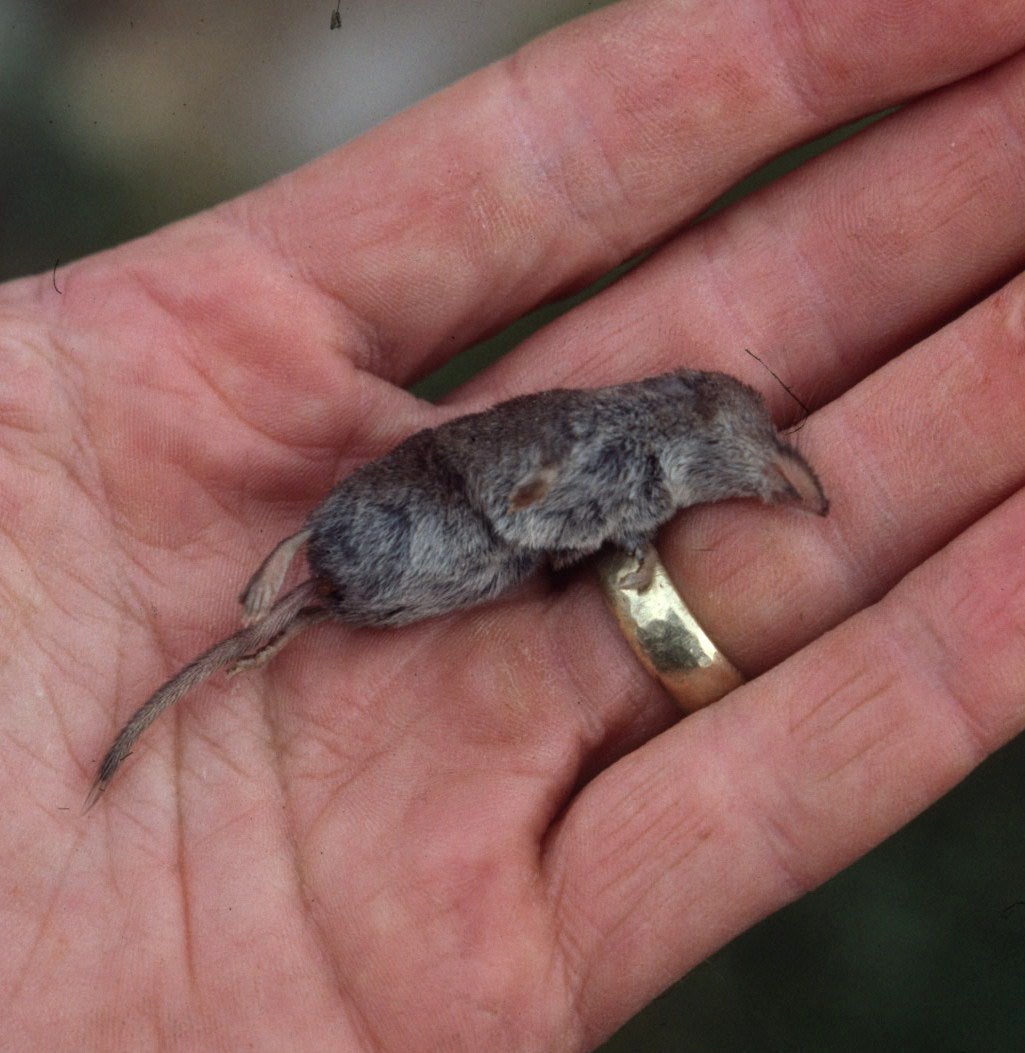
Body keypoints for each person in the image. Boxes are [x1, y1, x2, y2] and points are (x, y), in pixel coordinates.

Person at [4, 1, 1025, 1048]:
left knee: (330, 599)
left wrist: (644, 533)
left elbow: (621, 515)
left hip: (423, 571)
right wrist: (544, 501)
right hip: (427, 510)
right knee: (328, 584)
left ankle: (280, 617)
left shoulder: (653, 484)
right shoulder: (606, 436)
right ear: (685, 424)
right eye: (744, 457)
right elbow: (538, 465)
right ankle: (275, 612)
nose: (759, 476)